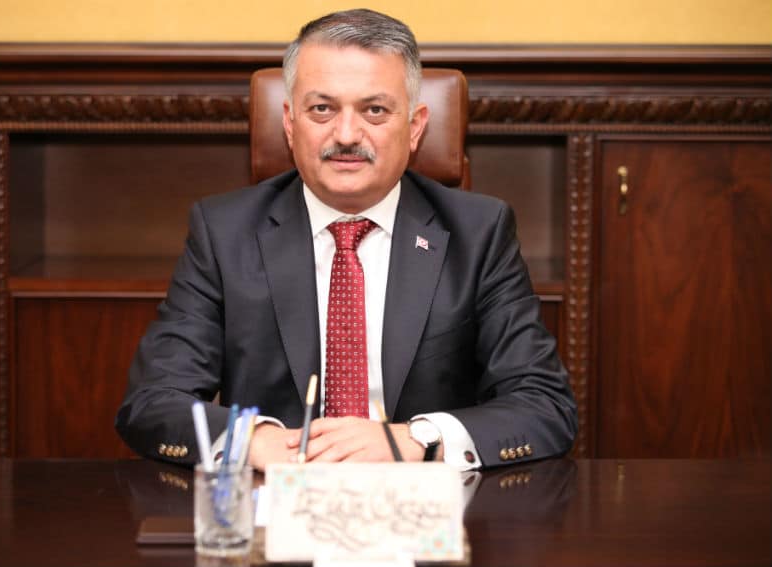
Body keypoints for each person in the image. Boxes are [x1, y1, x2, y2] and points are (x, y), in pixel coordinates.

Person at [115, 8, 577, 471]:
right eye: (322, 109)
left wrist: (416, 438)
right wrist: (251, 441)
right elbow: (154, 401)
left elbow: (543, 405)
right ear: (290, 123)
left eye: (375, 110)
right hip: (276, 496)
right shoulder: (224, 232)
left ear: (415, 126)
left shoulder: (478, 233)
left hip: (421, 499)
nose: (347, 135)